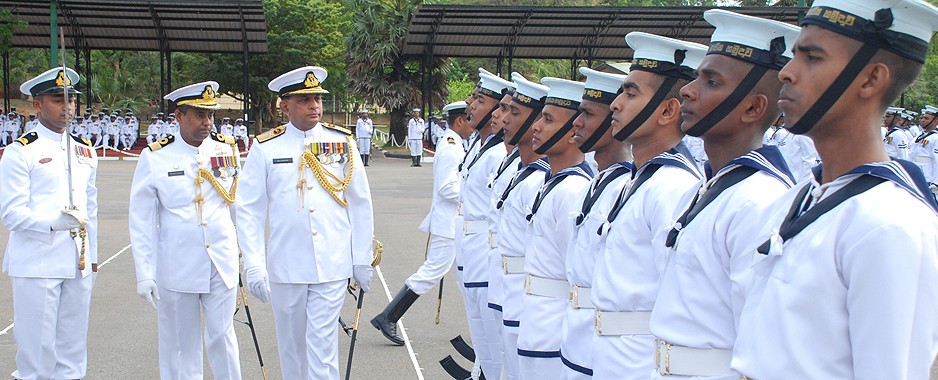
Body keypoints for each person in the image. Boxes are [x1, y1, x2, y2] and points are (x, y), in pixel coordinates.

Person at [732, 1, 938, 378]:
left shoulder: (889, 225)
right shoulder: (798, 199)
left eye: (812, 57)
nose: (788, 73)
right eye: (794, 56)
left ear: (871, 79)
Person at [650, 11, 799, 379]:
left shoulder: (759, 199)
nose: (687, 89)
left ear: (752, 108)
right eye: (698, 75)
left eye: (711, 81)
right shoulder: (707, 188)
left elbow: (761, 341)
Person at [237, 66, 374, 380]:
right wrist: (255, 264)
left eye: (318, 98)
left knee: (322, 347)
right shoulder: (266, 147)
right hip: (287, 265)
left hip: (333, 262)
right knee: (292, 349)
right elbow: (249, 209)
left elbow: (360, 202)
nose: (315, 105)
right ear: (284, 106)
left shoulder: (341, 142)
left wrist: (361, 257)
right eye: (305, 100)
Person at [589, 33, 705, 379]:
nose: (615, 103)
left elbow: (675, 300)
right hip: (610, 353)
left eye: (631, 92)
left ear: (669, 110)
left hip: (638, 361)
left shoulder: (673, 186)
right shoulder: (641, 179)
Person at [129, 81, 242, 380]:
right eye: (199, 114)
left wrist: (248, 256)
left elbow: (236, 206)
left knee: (223, 338)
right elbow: (141, 220)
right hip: (177, 266)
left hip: (221, 261)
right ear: (178, 116)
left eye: (210, 115)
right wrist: (144, 273)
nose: (207, 122)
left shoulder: (226, 149)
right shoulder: (155, 157)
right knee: (181, 346)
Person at [0, 67, 98, 380]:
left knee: (72, 351)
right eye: (58, 100)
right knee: (37, 355)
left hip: (76, 262)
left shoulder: (85, 149)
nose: (68, 107)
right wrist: (54, 222)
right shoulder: (21, 152)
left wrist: (92, 255)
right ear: (37, 105)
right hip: (37, 261)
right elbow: (10, 213)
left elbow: (91, 207)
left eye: (71, 100)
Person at [370, 101, 473, 344]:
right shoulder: (451, 148)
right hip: (448, 224)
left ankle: (481, 328)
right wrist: (476, 194)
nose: (473, 124)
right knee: (431, 272)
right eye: (469, 119)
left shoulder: (457, 143)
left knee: (469, 275)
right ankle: (388, 317)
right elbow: (448, 188)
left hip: (456, 224)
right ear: (460, 121)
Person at [517, 77, 594, 379]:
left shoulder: (574, 189)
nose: (536, 127)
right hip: (536, 318)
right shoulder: (553, 182)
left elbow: (572, 271)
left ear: (573, 132)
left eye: (547, 119)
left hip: (554, 326)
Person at [559, 67, 631, 379]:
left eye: (587, 113)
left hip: (613, 343)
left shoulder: (625, 184)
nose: (576, 122)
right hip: (577, 330)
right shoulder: (599, 180)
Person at [495, 72, 549, 380]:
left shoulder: (543, 180)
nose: (503, 119)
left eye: (514, 112)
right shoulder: (525, 171)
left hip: (534, 304)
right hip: (512, 288)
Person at [763, 114, 819, 181]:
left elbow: (809, 160)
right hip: (781, 176)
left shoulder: (804, 132)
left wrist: (801, 184)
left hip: (795, 179)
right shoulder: (785, 131)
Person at [913, 105, 938, 187]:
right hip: (916, 176)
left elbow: (937, 161)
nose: (922, 120)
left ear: (935, 121)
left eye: (926, 118)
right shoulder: (919, 136)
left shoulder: (935, 138)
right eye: (922, 118)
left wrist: (935, 182)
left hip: (928, 178)